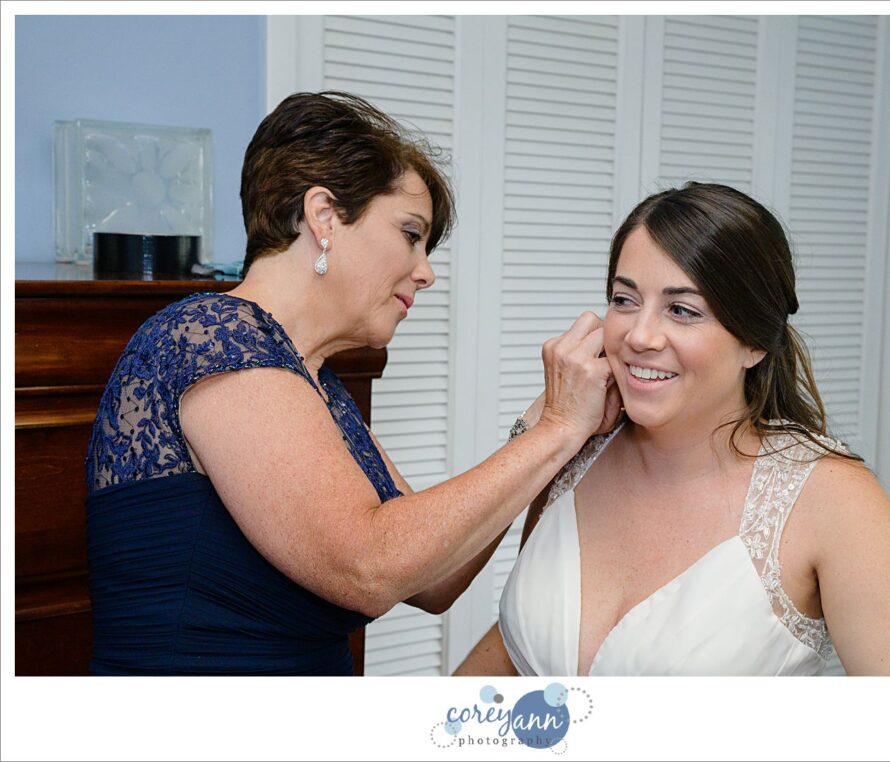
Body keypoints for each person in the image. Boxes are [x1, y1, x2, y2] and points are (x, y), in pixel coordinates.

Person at [84, 91, 621, 675]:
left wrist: (547, 419)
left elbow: (434, 581)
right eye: (411, 234)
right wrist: (556, 431)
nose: (426, 271)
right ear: (324, 217)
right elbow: (369, 566)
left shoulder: (315, 384)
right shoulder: (214, 335)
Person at [456, 183, 890, 676]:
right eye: (624, 299)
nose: (639, 335)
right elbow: (525, 647)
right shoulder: (574, 453)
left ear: (755, 343)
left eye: (682, 310)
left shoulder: (831, 498)